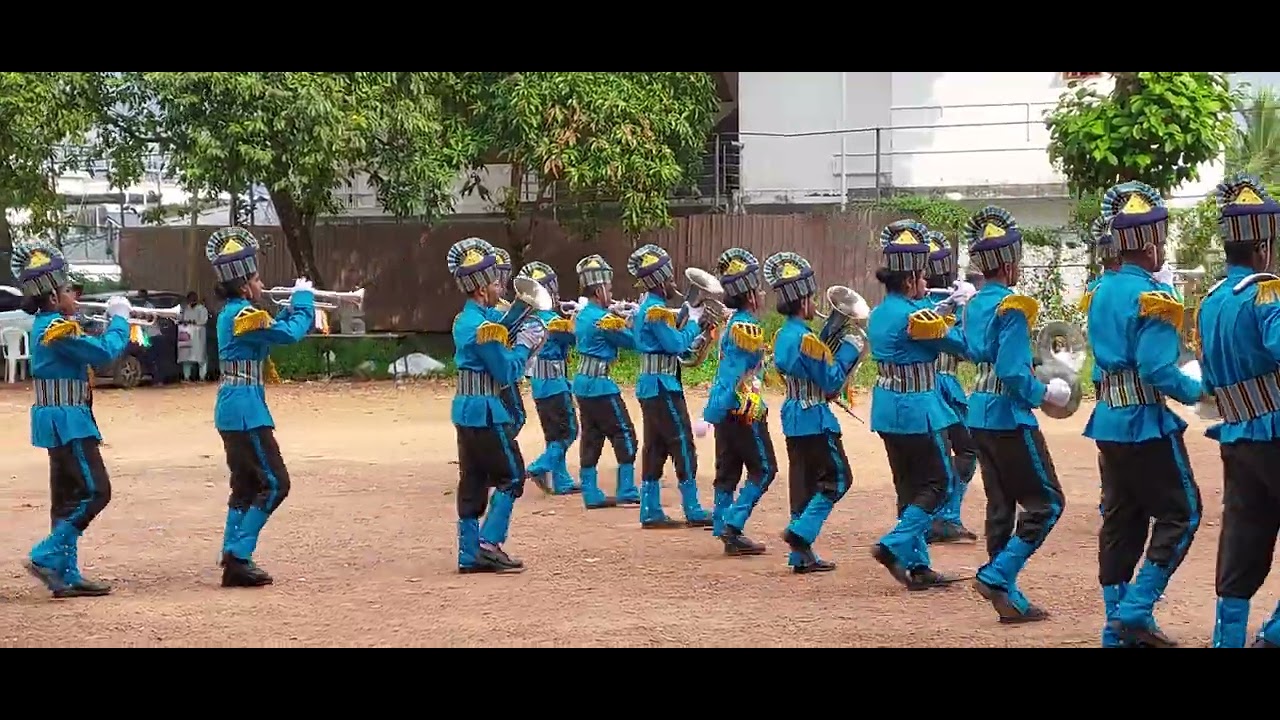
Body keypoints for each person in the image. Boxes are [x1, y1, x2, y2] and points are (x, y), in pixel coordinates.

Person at [1084, 181, 1204, 648]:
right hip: (1143, 422)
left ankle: (1115, 626)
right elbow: (1156, 369)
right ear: (1152, 244)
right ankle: (1135, 611)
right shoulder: (1155, 298)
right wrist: (1198, 390)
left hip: (1108, 420)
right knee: (1182, 512)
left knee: (1122, 519)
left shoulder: (1099, 291)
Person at [962, 205, 1072, 624]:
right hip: (1009, 416)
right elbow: (1010, 370)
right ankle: (998, 574)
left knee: (1000, 504)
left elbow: (979, 354)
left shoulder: (974, 305)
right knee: (1047, 503)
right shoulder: (1013, 305)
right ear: (1009, 262)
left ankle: (1005, 594)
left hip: (979, 413)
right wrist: (1045, 392)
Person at [13, 240, 132, 598]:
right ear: (51, 298)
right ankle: (48, 554)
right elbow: (105, 352)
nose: (76, 299)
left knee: (67, 497)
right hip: (69, 419)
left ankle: (66, 572)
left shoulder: (56, 324)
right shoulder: (57, 328)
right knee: (96, 490)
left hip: (60, 418)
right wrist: (122, 318)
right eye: (68, 291)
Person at [1195, 175, 1280, 648]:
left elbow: (1208, 382)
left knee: (1244, 536)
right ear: (1263, 245)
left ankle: (1228, 637)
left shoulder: (1211, 301)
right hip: (1276, 431)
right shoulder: (1268, 292)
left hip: (1236, 435)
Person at [865, 221, 972, 590]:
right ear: (911, 278)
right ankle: (894, 545)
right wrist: (961, 310)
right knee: (940, 484)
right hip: (918, 410)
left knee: (908, 489)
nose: (927, 281)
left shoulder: (882, 312)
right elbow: (959, 345)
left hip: (887, 410)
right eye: (923, 275)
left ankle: (918, 565)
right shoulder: (914, 315)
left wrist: (942, 303)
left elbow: (921, 318)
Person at [207, 227, 316, 588]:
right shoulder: (243, 315)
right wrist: (302, 302)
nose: (261, 282)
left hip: (237, 407)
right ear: (242, 286)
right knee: (274, 483)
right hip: (244, 409)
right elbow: (288, 334)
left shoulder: (241, 314)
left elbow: (273, 330)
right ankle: (239, 554)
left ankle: (233, 554)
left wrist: (288, 309)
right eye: (255, 278)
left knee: (245, 485)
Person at [766, 251, 864, 573]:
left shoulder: (784, 336)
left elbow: (799, 369)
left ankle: (801, 557)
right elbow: (832, 382)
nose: (815, 306)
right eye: (810, 298)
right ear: (802, 301)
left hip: (793, 415)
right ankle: (801, 533)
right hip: (815, 417)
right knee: (838, 479)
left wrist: (827, 346)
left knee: (803, 484)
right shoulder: (807, 339)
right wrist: (849, 349)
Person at [628, 243, 714, 530]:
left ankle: (650, 509)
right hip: (662, 386)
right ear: (660, 281)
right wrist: (696, 324)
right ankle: (692, 508)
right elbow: (676, 344)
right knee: (682, 443)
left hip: (652, 385)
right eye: (669, 279)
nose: (674, 284)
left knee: (656, 447)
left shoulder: (652, 309)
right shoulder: (655, 310)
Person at [701, 247, 774, 556]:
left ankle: (721, 523)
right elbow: (736, 374)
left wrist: (715, 411)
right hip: (743, 407)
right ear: (750, 295)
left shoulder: (732, 323)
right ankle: (733, 525)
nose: (761, 294)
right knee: (764, 469)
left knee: (728, 469)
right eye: (757, 289)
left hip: (725, 407)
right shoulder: (747, 326)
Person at [923, 230, 979, 543]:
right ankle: (939, 517)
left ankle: (946, 516)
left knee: (961, 450)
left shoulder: (949, 301)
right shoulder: (934, 304)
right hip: (935, 386)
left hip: (941, 386)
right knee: (951, 453)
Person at [572, 255, 640, 509]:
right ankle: (627, 489)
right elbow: (632, 341)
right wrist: (635, 318)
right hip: (600, 384)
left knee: (592, 435)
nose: (611, 294)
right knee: (624, 433)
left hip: (582, 383)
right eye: (609, 290)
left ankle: (590, 492)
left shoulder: (583, 315)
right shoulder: (603, 319)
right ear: (599, 290)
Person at [518, 261, 581, 496]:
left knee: (554, 433)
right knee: (568, 431)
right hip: (554, 380)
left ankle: (561, 479)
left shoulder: (530, 317)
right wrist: (577, 314)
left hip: (538, 382)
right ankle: (539, 466)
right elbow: (575, 338)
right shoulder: (552, 319)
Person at [490, 245, 527, 436]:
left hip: (505, 366)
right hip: (499, 369)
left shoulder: (503, 306)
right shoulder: (491, 310)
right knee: (515, 417)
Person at [178, 291, 210, 381]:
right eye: (189, 298)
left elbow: (203, 321)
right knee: (186, 357)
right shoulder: (186, 309)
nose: (191, 300)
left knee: (201, 357)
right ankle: (186, 377)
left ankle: (202, 377)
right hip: (187, 335)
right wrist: (185, 322)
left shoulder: (202, 309)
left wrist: (194, 322)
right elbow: (182, 319)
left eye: (193, 298)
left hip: (198, 335)